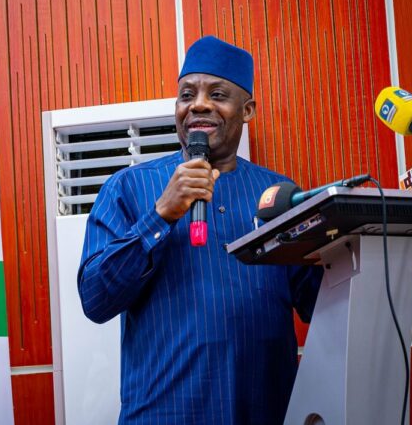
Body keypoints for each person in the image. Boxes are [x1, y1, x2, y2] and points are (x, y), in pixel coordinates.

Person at [78, 35, 323, 424]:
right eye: (187, 94)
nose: (199, 104)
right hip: (165, 415)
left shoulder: (278, 195)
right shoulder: (128, 188)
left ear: (247, 110)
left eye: (218, 94)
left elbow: (318, 305)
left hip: (265, 412)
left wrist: (357, 247)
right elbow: (95, 300)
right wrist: (161, 215)